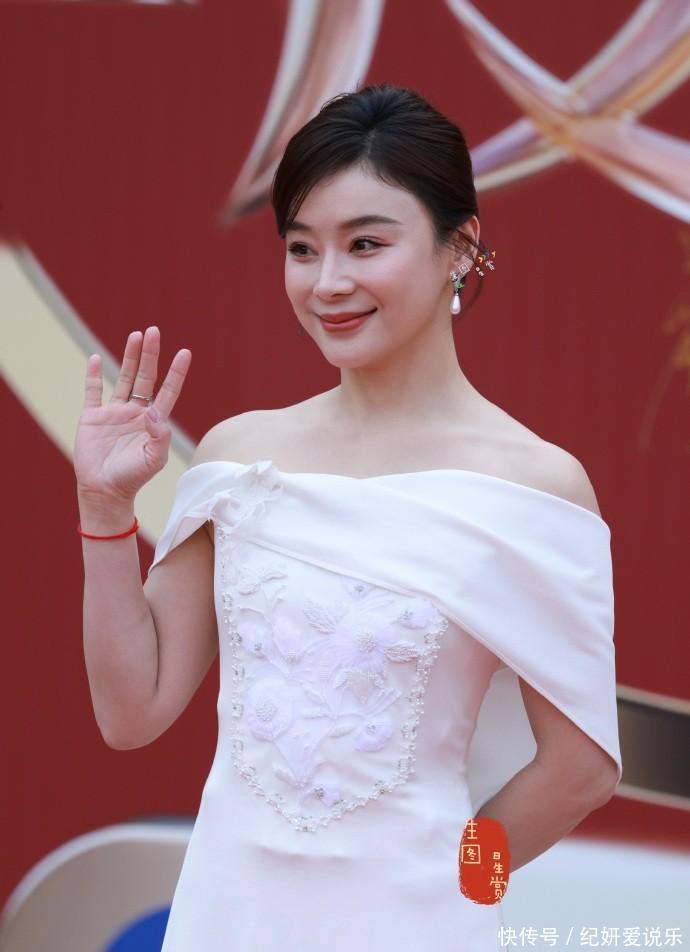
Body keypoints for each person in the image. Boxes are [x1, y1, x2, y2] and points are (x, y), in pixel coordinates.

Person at [74, 83, 622, 951]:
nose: (328, 283)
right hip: (227, 921)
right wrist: (104, 510)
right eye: (302, 248)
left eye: (366, 243)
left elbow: (581, 767)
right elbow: (130, 712)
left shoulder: (535, 486)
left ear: (459, 248)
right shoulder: (238, 456)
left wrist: (460, 891)